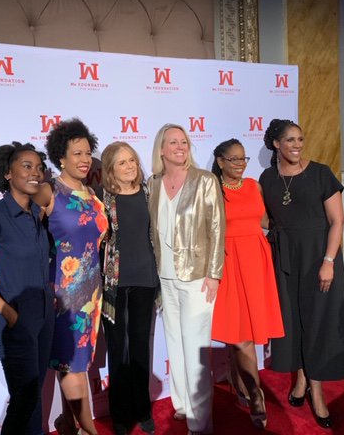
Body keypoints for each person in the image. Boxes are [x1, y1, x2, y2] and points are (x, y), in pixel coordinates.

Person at [260, 119, 344, 429]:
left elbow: (338, 221)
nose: (297, 145)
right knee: (293, 321)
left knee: (316, 321)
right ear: (276, 144)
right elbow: (265, 219)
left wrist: (329, 261)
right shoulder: (267, 178)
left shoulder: (320, 173)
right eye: (290, 140)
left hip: (319, 256)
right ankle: (301, 377)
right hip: (285, 258)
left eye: (300, 139)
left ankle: (317, 391)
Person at [0, 142, 54, 434]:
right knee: (24, 398)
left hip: (45, 317)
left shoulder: (37, 212)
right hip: (16, 321)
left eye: (39, 167)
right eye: (26, 166)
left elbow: (47, 191)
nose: (35, 173)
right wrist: (8, 312)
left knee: (34, 394)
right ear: (7, 173)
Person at [146, 123, 225, 435]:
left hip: (197, 278)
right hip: (164, 277)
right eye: (173, 142)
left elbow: (217, 227)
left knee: (195, 350)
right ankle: (182, 404)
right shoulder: (153, 183)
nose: (180, 147)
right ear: (161, 149)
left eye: (184, 141)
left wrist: (214, 274)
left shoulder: (204, 180)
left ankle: (200, 423)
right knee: (175, 343)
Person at [209, 139, 285, 430]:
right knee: (238, 335)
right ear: (220, 161)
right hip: (228, 263)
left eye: (243, 158)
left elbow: (265, 220)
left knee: (247, 334)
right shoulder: (212, 190)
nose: (240, 164)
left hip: (256, 261)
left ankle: (239, 381)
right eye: (234, 159)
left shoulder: (254, 186)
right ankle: (255, 394)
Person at [39, 118, 108, 435]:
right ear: (61, 158)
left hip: (91, 291)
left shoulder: (91, 193)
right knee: (73, 364)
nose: (84, 159)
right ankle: (90, 430)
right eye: (76, 153)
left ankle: (68, 423)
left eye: (87, 153)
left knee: (75, 361)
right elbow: (22, 230)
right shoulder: (49, 191)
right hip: (63, 294)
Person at [96, 142, 159, 435]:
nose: (130, 166)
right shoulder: (101, 198)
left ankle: (143, 410)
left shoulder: (149, 193)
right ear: (110, 169)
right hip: (114, 284)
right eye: (122, 162)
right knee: (117, 348)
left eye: (132, 160)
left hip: (145, 279)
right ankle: (120, 416)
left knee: (140, 346)